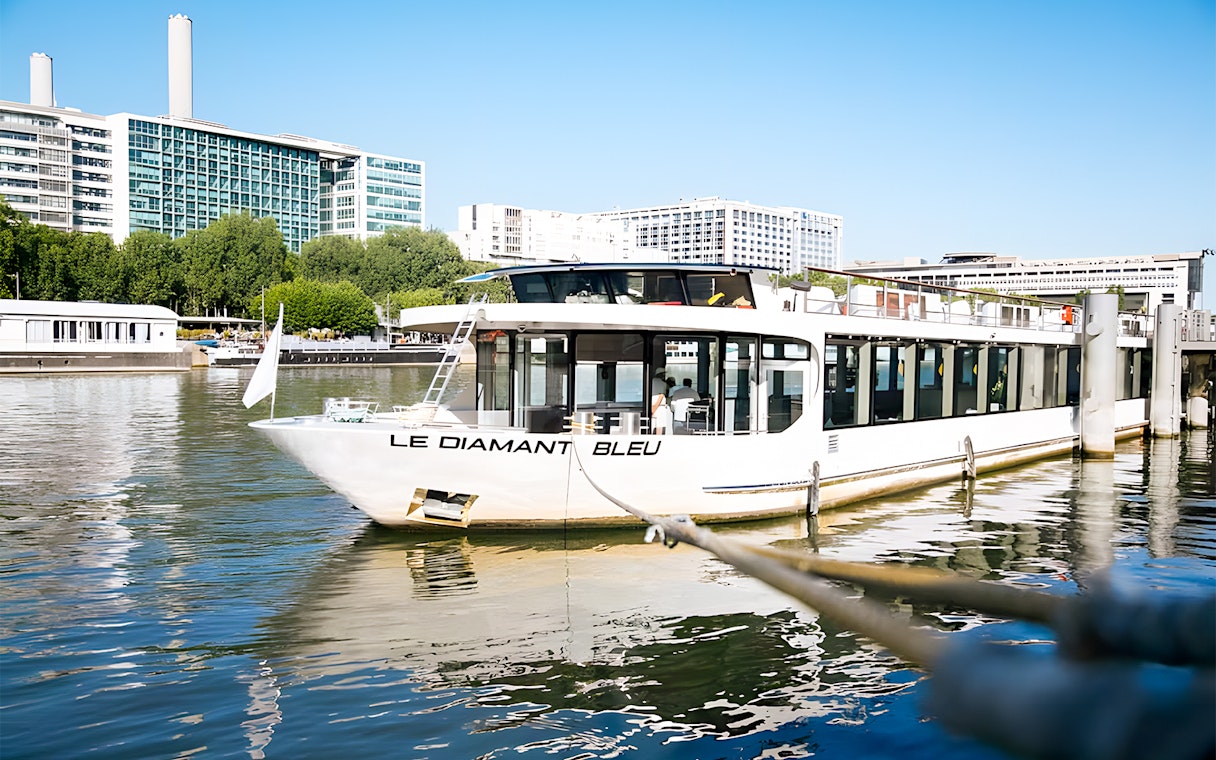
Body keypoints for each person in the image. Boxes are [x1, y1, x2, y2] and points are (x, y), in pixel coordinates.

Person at [650, 369, 672, 434]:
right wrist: (655, 407)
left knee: (652, 425)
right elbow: (661, 395)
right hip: (659, 406)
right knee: (659, 426)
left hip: (651, 404)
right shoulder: (663, 384)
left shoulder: (650, 381)